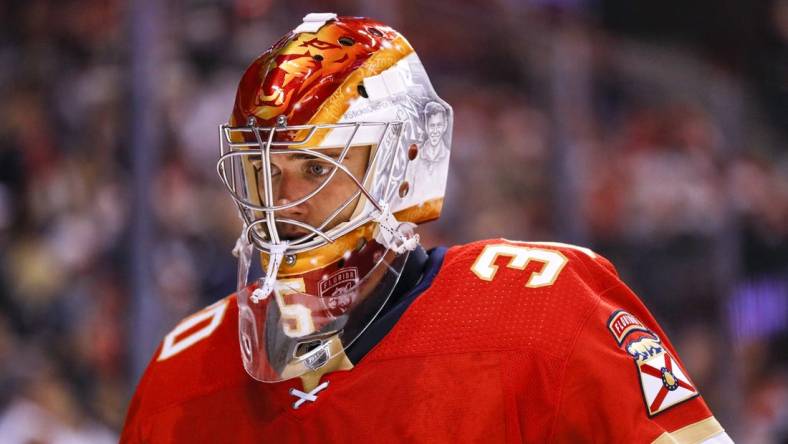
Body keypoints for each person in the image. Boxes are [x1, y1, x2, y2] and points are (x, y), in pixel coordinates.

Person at [121, 13, 733, 443]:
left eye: (314, 166)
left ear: (401, 164)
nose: (283, 201)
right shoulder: (185, 366)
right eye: (263, 171)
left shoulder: (545, 310)